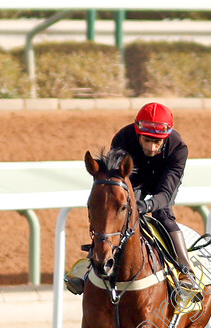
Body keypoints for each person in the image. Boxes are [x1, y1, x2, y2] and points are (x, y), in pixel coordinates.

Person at [66, 102, 196, 295]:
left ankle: (186, 271)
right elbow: (116, 182)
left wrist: (146, 205)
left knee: (163, 213)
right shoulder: (123, 139)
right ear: (137, 133)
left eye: (157, 142)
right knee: (115, 212)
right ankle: (91, 263)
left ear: (166, 138)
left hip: (162, 182)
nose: (151, 148)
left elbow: (165, 195)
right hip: (132, 180)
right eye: (146, 140)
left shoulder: (178, 148)